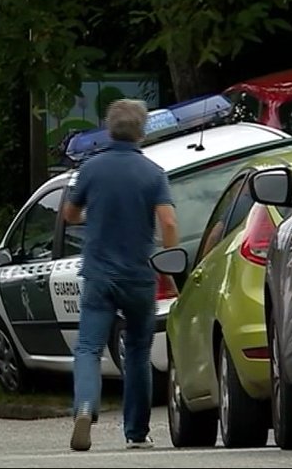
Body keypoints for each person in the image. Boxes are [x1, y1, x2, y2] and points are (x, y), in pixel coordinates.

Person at [62, 99, 179, 452]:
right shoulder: (153, 173)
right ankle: (136, 431)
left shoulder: (91, 169)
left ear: (108, 130)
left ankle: (85, 406)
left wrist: (91, 218)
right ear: (142, 132)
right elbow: (169, 221)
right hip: (138, 276)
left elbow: (69, 214)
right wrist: (168, 265)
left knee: (88, 347)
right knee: (139, 352)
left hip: (99, 274)